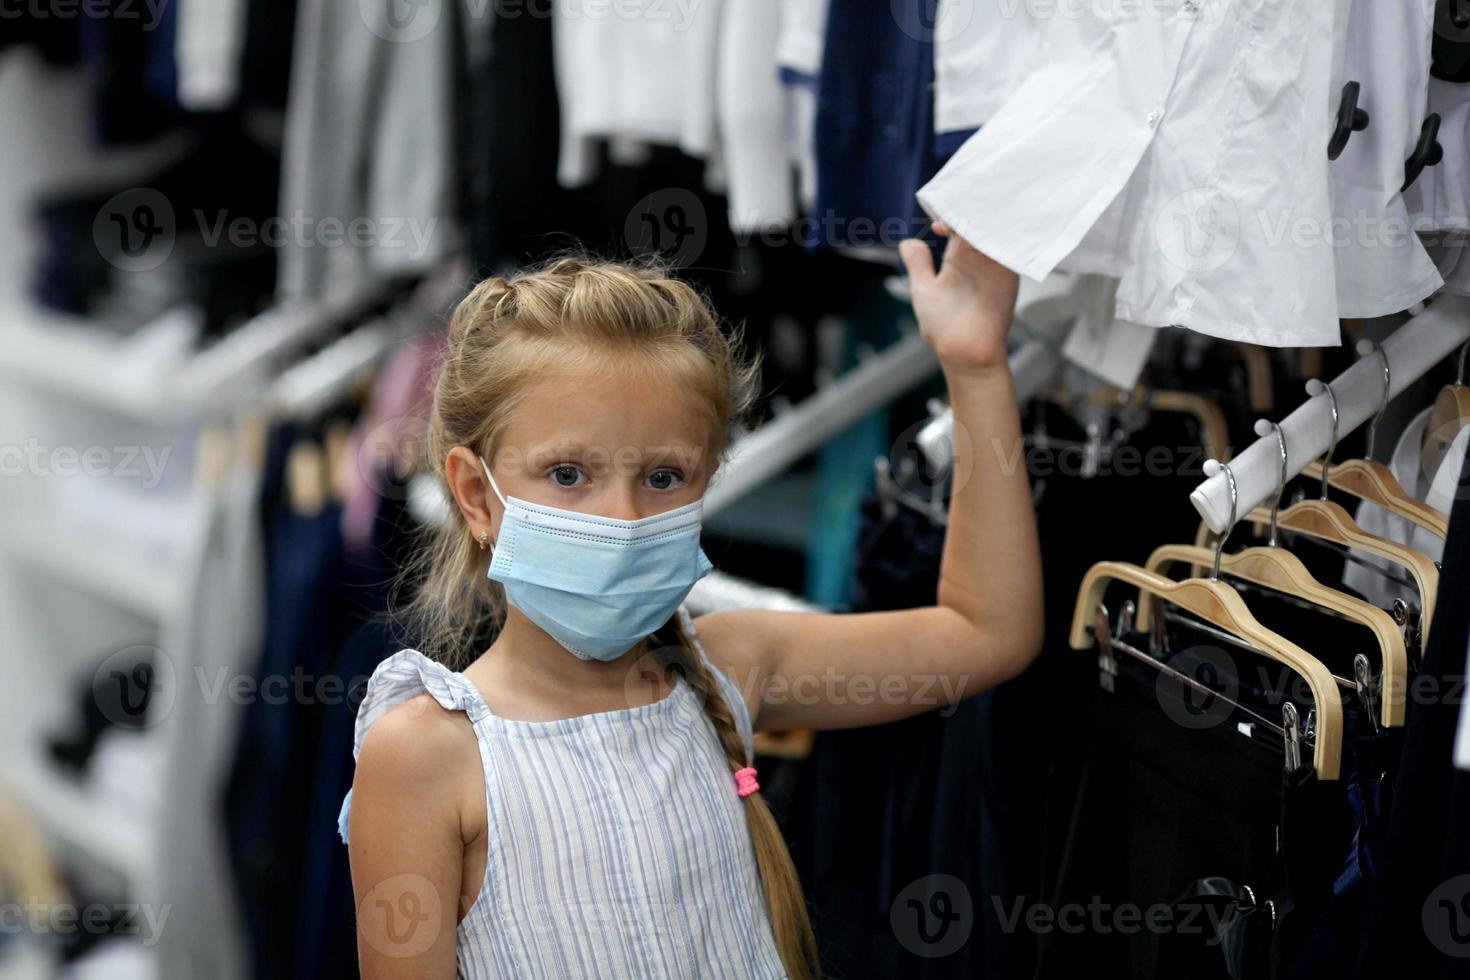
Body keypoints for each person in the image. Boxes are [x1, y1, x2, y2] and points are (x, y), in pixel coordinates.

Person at [342, 224, 1044, 979]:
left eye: (664, 477)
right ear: (478, 495)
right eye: (569, 474)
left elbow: (986, 631)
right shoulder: (424, 756)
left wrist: (975, 370)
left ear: (709, 479)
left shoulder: (736, 668)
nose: (623, 518)